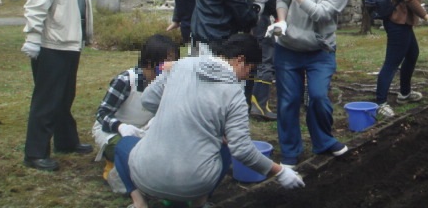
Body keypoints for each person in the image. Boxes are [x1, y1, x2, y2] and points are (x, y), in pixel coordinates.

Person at [113, 33, 305, 208]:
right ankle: (198, 203)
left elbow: (148, 99)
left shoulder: (183, 65)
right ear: (240, 61)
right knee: (224, 148)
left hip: (146, 177)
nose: (248, 76)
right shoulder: (234, 92)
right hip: (193, 185)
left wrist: (171, 110)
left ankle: (139, 203)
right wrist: (279, 172)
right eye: (250, 70)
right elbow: (242, 150)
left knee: (123, 144)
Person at [21, 0, 106, 171]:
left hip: (68, 41)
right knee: (47, 99)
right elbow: (37, 4)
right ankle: (35, 153)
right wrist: (33, 38)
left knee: (65, 95)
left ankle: (66, 141)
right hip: (51, 43)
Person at [266, 0, 355, 167]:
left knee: (317, 96)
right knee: (288, 100)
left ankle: (324, 141)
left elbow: (322, 14)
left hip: (319, 51)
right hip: (288, 47)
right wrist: (282, 21)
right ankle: (290, 151)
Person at [92, 34, 179, 180]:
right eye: (168, 60)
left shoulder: (167, 84)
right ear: (151, 61)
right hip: (113, 131)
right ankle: (115, 165)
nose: (171, 66)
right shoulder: (126, 80)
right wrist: (120, 127)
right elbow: (102, 114)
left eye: (174, 60)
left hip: (144, 131)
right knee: (131, 153)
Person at [248, 0, 291, 121]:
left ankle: (248, 100)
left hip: (247, 13)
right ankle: (260, 103)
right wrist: (281, 17)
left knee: (250, 57)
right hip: (261, 17)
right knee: (266, 58)